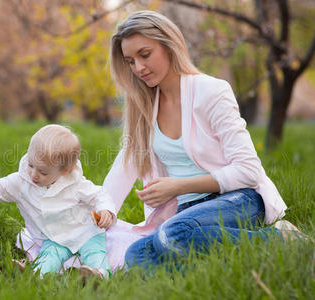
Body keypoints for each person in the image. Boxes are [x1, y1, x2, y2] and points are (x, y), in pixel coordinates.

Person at [102, 10, 301, 271]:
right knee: (135, 258)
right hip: (186, 211)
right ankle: (215, 266)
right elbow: (124, 168)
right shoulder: (144, 105)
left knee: (170, 236)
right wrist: (101, 210)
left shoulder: (212, 91)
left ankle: (280, 238)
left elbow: (249, 171)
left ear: (169, 45)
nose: (138, 68)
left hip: (237, 199)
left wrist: (178, 186)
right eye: (130, 61)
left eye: (145, 54)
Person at [0, 124, 116, 279]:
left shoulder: (76, 184)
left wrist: (105, 210)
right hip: (53, 237)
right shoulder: (21, 182)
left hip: (85, 232)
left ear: (65, 171)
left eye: (42, 172)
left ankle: (98, 275)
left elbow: (100, 195)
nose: (33, 174)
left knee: (95, 251)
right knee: (49, 255)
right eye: (31, 164)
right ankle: (35, 275)